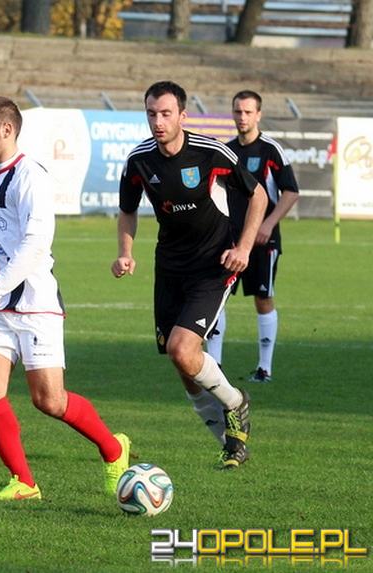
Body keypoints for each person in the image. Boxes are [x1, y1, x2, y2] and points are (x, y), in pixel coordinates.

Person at [0, 96, 130, 501]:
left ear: (6, 130)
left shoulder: (30, 177)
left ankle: (113, 448)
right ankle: (24, 482)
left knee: (49, 400)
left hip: (34, 304)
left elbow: (35, 245)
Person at [113, 81, 268, 469]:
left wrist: (244, 248)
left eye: (166, 114)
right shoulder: (139, 161)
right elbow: (127, 210)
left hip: (213, 266)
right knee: (182, 363)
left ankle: (236, 402)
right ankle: (230, 444)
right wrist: (125, 253)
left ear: (182, 115)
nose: (158, 122)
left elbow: (259, 196)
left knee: (183, 350)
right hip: (170, 267)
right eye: (151, 114)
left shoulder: (210, 153)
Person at [205, 90, 299, 384]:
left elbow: (291, 191)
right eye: (238, 111)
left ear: (258, 115)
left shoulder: (271, 150)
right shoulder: (226, 151)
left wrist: (268, 224)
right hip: (230, 241)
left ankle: (264, 368)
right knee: (216, 299)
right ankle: (215, 366)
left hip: (262, 241)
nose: (242, 117)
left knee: (262, 298)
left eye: (248, 112)